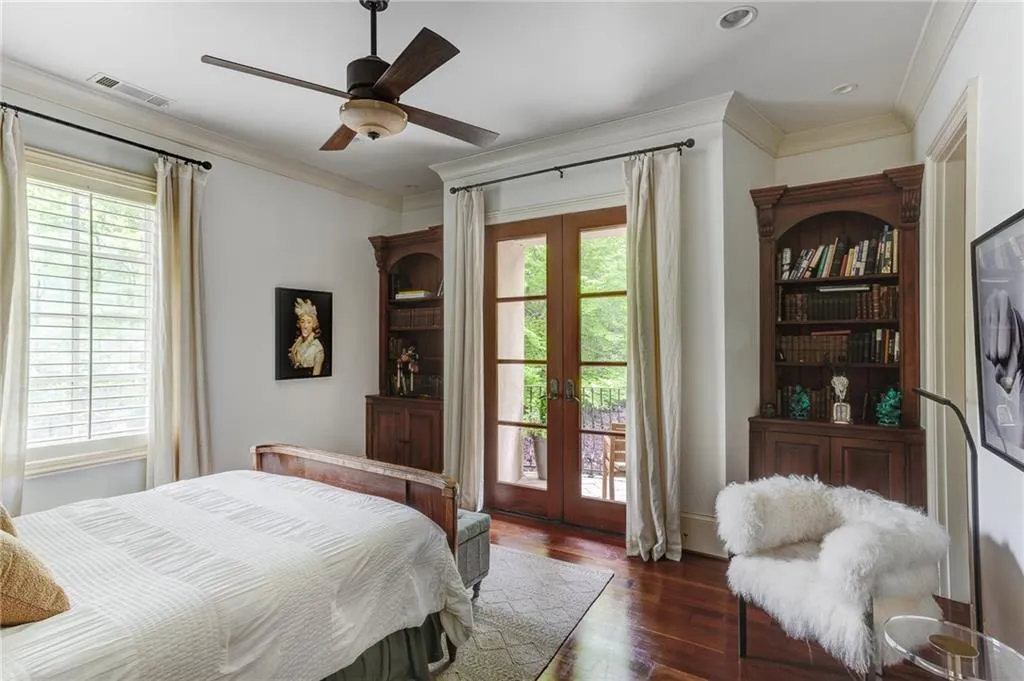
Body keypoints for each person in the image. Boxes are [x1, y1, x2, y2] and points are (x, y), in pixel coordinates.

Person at [288, 298, 325, 376]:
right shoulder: (296, 344)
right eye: (302, 321)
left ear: (313, 325)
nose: (305, 326)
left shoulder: (318, 348)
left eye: (309, 322)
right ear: (299, 324)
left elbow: (316, 377)